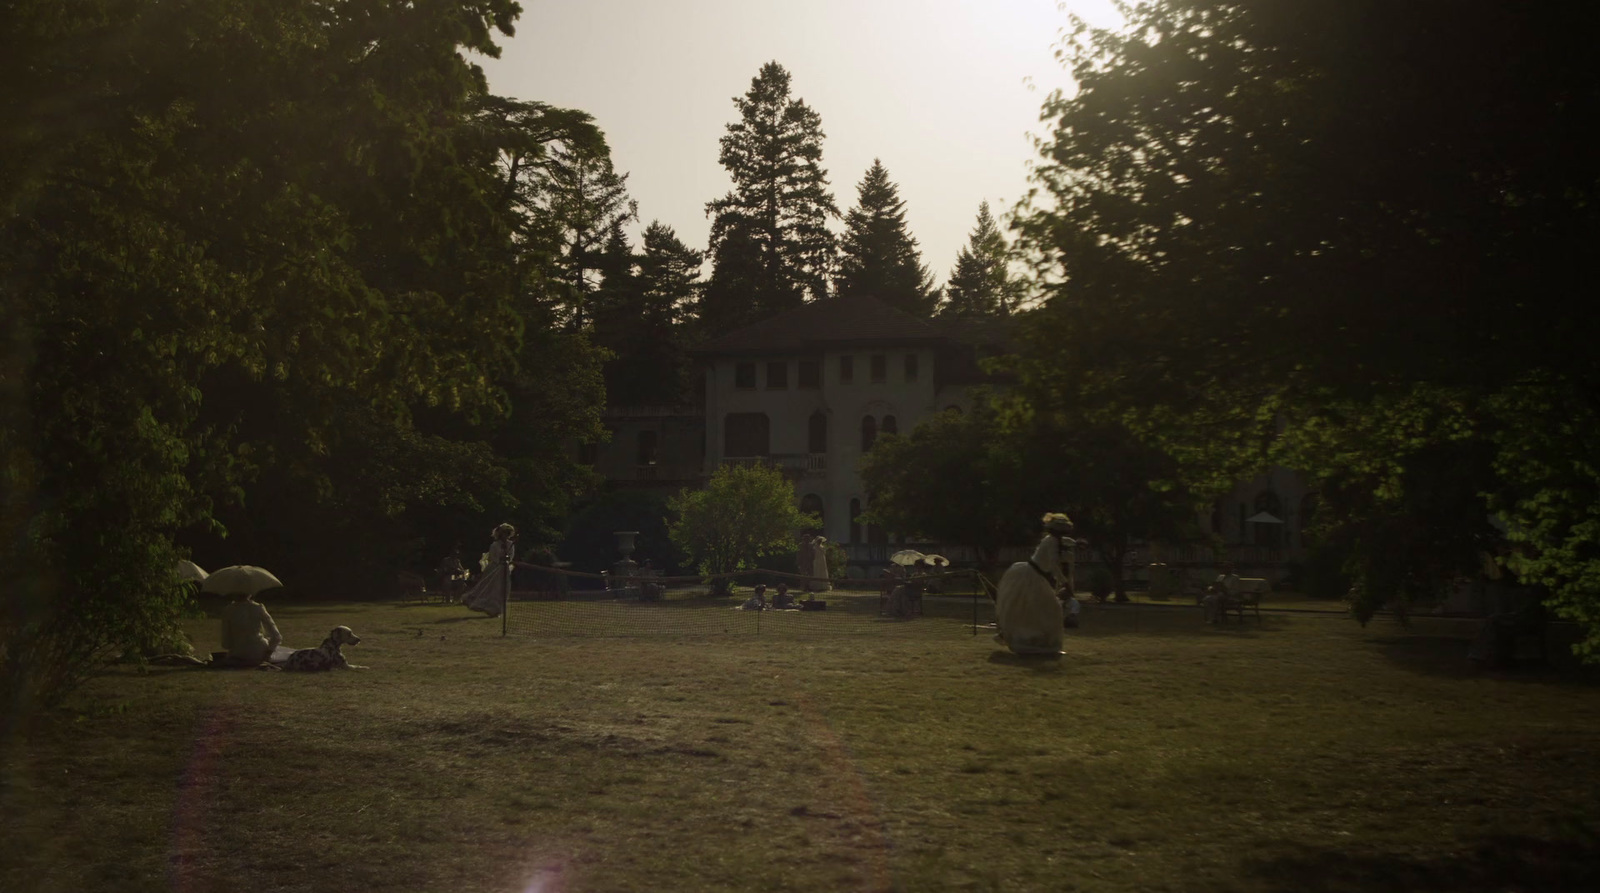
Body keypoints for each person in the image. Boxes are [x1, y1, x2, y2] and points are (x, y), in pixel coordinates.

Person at [994, 513, 1076, 655]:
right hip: (1032, 576)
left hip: (1036, 576)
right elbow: (1053, 564)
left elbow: (1063, 550)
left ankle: (1042, 642)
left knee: (1041, 609)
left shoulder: (1054, 540)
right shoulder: (1052, 541)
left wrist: (1076, 544)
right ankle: (1039, 642)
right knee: (1048, 608)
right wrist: (1065, 583)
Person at [462, 523, 516, 618]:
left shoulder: (510, 544)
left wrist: (506, 561)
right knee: (492, 589)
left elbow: (511, 556)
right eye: (504, 533)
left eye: (508, 533)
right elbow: (493, 557)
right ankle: (488, 608)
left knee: (503, 589)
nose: (506, 536)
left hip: (505, 569)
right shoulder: (495, 545)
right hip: (494, 569)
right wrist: (500, 561)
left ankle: (497, 609)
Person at [218, 590, 283, 667]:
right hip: (259, 653)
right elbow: (276, 636)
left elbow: (226, 644)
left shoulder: (228, 610)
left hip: (237, 654)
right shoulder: (258, 608)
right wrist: (268, 652)